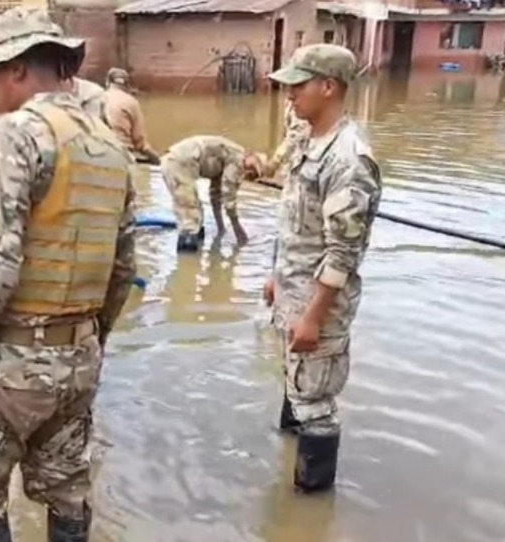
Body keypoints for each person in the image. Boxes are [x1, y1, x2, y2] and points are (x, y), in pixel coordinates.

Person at [0, 7, 136, 542]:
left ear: (18, 68)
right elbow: (124, 268)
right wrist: (92, 340)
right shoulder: (110, 144)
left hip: (10, 367)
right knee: (69, 490)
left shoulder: (16, 135)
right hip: (80, 360)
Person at [263, 43, 383, 494]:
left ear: (328, 87)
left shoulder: (347, 159)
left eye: (298, 84)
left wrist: (313, 315)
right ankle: (285, 475)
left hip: (319, 306)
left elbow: (342, 254)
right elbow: (294, 221)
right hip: (293, 292)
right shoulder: (308, 140)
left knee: (316, 405)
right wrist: (276, 276)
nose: (289, 95)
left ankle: (310, 502)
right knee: (296, 387)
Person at [159, 135, 258, 253]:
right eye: (252, 167)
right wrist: (237, 228)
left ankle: (196, 255)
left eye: (254, 175)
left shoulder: (226, 160)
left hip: (177, 162)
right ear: (250, 155)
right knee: (190, 218)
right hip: (178, 163)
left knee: (196, 217)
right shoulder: (238, 158)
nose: (249, 172)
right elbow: (228, 194)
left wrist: (220, 228)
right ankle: (187, 265)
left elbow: (216, 194)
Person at [103, 67, 159, 165]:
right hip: (123, 154)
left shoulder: (97, 98)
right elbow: (140, 143)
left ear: (107, 83)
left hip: (99, 152)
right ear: (127, 85)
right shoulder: (131, 102)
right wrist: (159, 160)